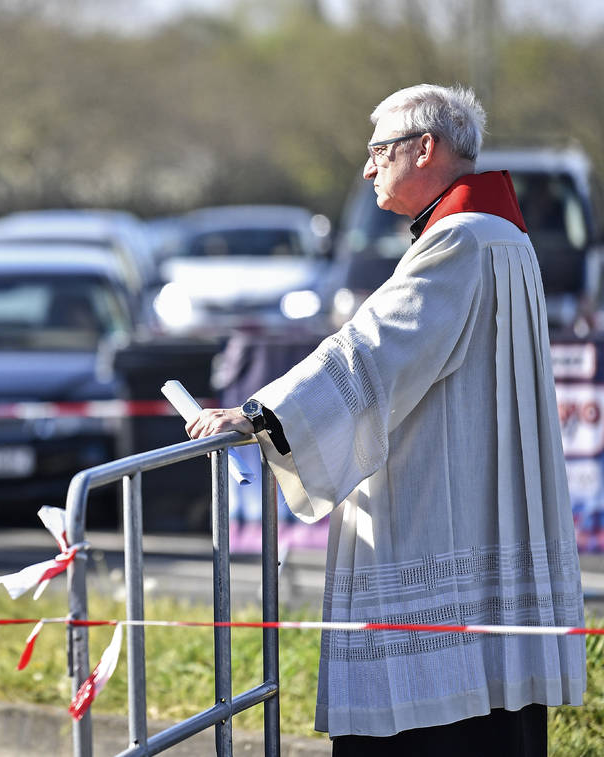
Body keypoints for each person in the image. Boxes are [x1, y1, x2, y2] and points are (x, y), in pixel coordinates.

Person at [187, 84, 585, 755]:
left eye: (378, 152)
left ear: (424, 147)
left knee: (431, 720)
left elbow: (370, 353)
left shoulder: (459, 240)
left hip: (441, 504)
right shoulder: (502, 235)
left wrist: (259, 413)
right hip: (475, 491)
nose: (368, 169)